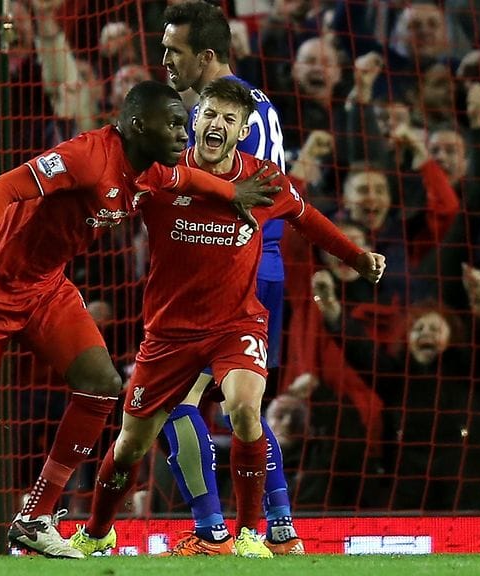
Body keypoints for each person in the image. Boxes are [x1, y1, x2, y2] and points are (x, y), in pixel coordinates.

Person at [0, 80, 275, 558]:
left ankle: (36, 517)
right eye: (172, 123)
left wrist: (232, 192)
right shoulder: (87, 157)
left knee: (103, 384)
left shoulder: (149, 170)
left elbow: (187, 181)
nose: (182, 133)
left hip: (45, 287)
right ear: (137, 125)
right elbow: (0, 188)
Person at [68, 78, 385, 558]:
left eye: (229, 119)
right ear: (196, 120)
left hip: (237, 324)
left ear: (240, 132)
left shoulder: (264, 180)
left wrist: (356, 257)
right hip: (169, 332)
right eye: (211, 114)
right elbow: (97, 201)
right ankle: (97, 531)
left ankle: (251, 533)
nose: (217, 123)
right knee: (131, 443)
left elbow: (307, 217)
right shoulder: (159, 174)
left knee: (244, 406)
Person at [154, 0, 303, 555]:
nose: (165, 59)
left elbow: (251, 198)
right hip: (262, 267)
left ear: (207, 56)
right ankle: (280, 528)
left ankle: (212, 531)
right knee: (244, 408)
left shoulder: (226, 114)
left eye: (175, 51)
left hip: (233, 269)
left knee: (172, 398)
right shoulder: (251, 104)